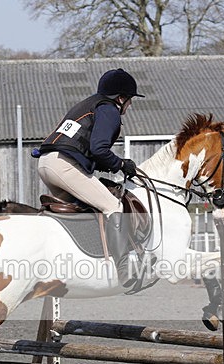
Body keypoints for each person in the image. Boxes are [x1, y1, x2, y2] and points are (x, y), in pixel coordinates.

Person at [35, 68, 143, 284]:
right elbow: (99, 149)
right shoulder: (109, 110)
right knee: (113, 207)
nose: (129, 105)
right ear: (120, 98)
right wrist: (121, 164)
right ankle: (123, 270)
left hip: (47, 163)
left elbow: (89, 150)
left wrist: (112, 166)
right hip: (64, 165)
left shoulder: (88, 104)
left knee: (81, 211)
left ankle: (74, 263)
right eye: (129, 100)